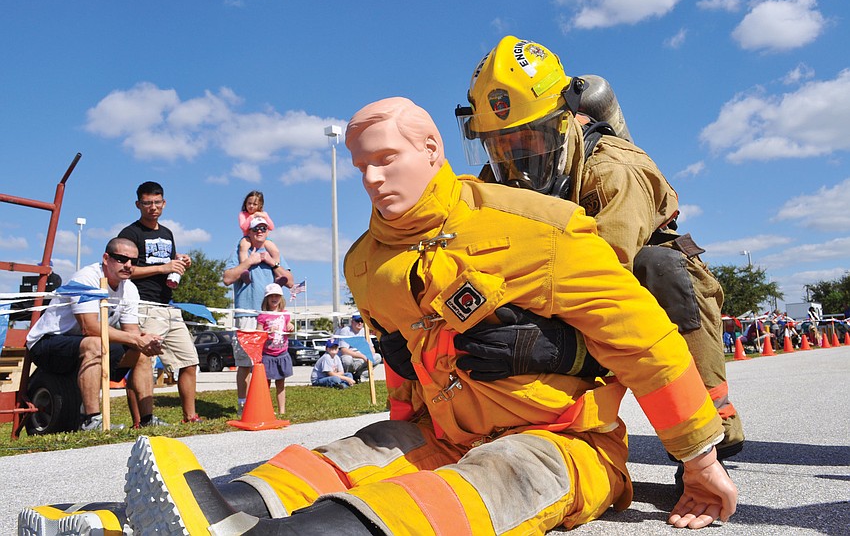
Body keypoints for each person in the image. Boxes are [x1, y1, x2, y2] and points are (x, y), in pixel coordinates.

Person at [86, 96, 734, 535]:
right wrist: (401, 437)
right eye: (360, 164)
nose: (370, 179)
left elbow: (644, 340)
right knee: (346, 454)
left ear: (432, 149)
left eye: (386, 159)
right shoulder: (364, 262)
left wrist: (698, 459)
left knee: (478, 487)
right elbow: (403, 370)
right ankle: (161, 516)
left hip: (561, 439)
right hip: (445, 428)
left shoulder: (538, 228)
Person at [455, 35, 744, 474]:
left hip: (627, 279)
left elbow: (609, 282)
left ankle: (708, 421)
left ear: (564, 122)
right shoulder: (497, 179)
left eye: (528, 140)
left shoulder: (613, 173)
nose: (515, 157)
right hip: (550, 275)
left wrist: (562, 349)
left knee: (666, 268)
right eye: (500, 145)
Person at [25, 238, 164, 430]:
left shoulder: (129, 288)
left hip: (84, 343)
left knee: (140, 353)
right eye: (122, 259)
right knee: (95, 344)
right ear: (106, 258)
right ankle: (92, 420)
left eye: (134, 261)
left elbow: (131, 330)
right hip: (47, 343)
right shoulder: (86, 279)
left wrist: (144, 341)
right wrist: (135, 339)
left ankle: (147, 420)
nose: (129, 265)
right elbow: (89, 327)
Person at [118, 181, 202, 424]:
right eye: (147, 203)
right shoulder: (130, 233)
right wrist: (162, 267)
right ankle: (142, 420)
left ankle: (190, 416)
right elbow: (125, 270)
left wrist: (179, 262)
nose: (153, 207)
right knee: (143, 361)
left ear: (164, 203)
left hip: (168, 306)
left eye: (157, 202)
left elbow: (167, 263)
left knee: (189, 360)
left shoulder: (167, 233)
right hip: (143, 305)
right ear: (138, 205)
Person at [222, 216, 295, 413]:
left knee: (266, 364)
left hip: (271, 317)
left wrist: (272, 263)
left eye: (263, 228)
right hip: (247, 315)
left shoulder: (273, 254)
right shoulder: (239, 253)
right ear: (249, 231)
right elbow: (227, 278)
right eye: (255, 229)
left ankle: (264, 405)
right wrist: (249, 262)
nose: (259, 231)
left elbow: (289, 281)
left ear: (268, 231)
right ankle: (243, 405)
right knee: (245, 363)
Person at [256, 283, 294, 416]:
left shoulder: (285, 314)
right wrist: (267, 332)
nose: (274, 298)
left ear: (281, 298)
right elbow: (258, 336)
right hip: (267, 355)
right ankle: (266, 409)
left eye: (277, 295)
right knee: (265, 384)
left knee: (280, 383)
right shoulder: (262, 315)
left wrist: (291, 328)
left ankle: (282, 410)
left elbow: (288, 333)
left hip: (282, 353)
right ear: (266, 298)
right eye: (271, 295)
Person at [237, 190, 282, 282]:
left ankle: (278, 275)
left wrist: (264, 216)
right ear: (245, 203)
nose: (251, 206)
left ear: (260, 206)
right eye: (249, 203)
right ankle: (244, 271)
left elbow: (271, 227)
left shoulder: (263, 214)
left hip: (263, 239)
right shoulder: (243, 214)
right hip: (248, 237)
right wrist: (251, 217)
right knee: (243, 246)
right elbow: (243, 227)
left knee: (275, 251)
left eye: (254, 204)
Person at [333, 313, 382, 382]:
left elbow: (372, 348)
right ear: (352, 321)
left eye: (362, 321)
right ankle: (347, 377)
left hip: (362, 358)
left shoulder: (364, 331)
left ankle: (358, 375)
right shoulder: (345, 330)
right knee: (347, 359)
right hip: (351, 357)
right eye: (357, 321)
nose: (360, 323)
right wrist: (362, 356)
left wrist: (369, 355)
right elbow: (344, 350)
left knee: (377, 357)